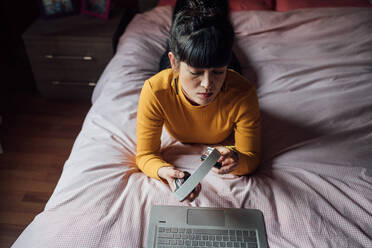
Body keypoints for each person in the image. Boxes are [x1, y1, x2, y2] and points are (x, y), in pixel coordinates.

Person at [136, 7, 260, 201]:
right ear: (174, 63)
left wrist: (236, 159)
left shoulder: (243, 93)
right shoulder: (155, 90)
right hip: (174, 74)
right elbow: (145, 155)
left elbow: (250, 157)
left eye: (218, 72)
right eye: (196, 73)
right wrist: (165, 172)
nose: (207, 85)